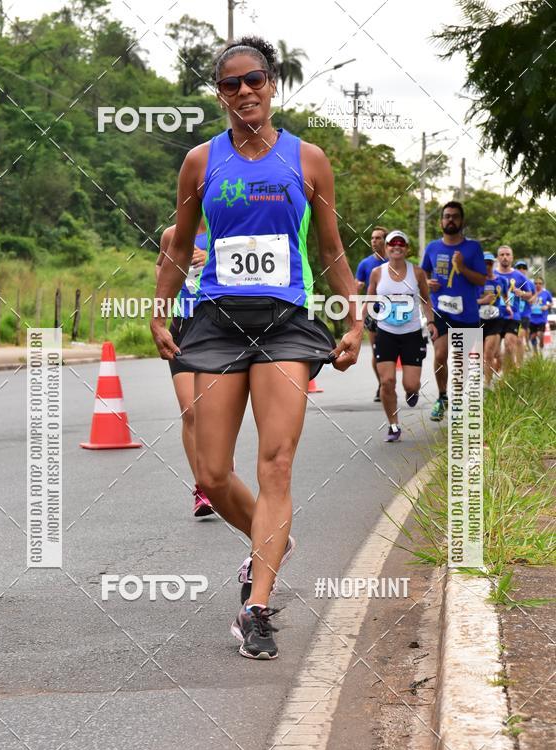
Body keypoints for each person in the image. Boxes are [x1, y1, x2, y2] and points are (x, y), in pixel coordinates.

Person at [150, 36, 362, 660]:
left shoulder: (309, 159)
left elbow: (330, 248)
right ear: (218, 95)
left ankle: (256, 607)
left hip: (285, 324)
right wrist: (161, 313)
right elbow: (180, 241)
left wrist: (354, 318)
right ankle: (271, 539)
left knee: (276, 462)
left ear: (273, 84)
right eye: (230, 84)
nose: (244, 92)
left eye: (254, 80)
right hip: (215, 320)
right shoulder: (199, 161)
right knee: (212, 474)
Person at [156, 222, 214, 517]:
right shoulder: (172, 234)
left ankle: (218, 470)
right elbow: (160, 268)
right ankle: (203, 487)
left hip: (217, 328)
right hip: (183, 326)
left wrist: (211, 257)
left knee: (213, 409)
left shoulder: (225, 226)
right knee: (190, 409)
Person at [367, 230, 436, 441]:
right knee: (387, 382)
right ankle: (394, 426)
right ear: (386, 248)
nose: (396, 247)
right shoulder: (377, 273)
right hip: (386, 332)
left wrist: (431, 322)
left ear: (407, 249)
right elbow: (369, 299)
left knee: (410, 385)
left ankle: (412, 392)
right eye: (392, 244)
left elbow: (425, 300)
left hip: (412, 333)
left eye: (401, 243)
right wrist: (361, 321)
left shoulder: (417, 273)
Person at [421, 201, 486, 421]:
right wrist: (428, 282)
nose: (450, 219)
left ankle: (458, 400)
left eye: (455, 216)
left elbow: (481, 280)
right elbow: (422, 276)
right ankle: (442, 397)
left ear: (462, 221)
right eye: (447, 216)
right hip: (441, 310)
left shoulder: (473, 248)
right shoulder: (432, 247)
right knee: (440, 354)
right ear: (441, 221)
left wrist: (463, 268)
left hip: (467, 313)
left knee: (461, 361)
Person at [355, 226, 388, 401]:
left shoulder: (394, 262)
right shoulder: (365, 264)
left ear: (385, 241)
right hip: (373, 312)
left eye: (377, 238)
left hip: (394, 312)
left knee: (393, 350)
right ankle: (382, 385)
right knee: (377, 351)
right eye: (372, 238)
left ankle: (389, 382)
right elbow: (356, 284)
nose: (373, 241)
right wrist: (356, 287)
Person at [494, 246, 533, 370]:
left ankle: (507, 379)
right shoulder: (491, 274)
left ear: (512, 257)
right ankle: (499, 369)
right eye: (502, 255)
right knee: (493, 351)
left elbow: (529, 295)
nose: (505, 257)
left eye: (507, 254)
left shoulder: (519, 276)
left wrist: (521, 293)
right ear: (498, 257)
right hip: (494, 316)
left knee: (509, 346)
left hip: (512, 316)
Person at [478, 252, 508, 388]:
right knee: (486, 353)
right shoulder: (476, 281)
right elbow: (469, 301)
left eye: (490, 263)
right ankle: (488, 375)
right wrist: (483, 300)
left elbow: (506, 297)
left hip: (496, 320)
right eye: (484, 263)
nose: (487, 266)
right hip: (479, 320)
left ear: (493, 264)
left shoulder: (501, 281)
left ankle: (487, 383)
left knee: (489, 352)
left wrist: (507, 307)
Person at [528, 277, 552, 353]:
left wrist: (547, 306)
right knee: (532, 337)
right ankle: (535, 353)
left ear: (542, 284)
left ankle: (541, 345)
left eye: (540, 283)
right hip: (532, 318)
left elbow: (551, 303)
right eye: (536, 283)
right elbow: (527, 301)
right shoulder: (530, 293)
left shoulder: (546, 293)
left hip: (542, 318)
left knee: (539, 334)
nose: (537, 285)